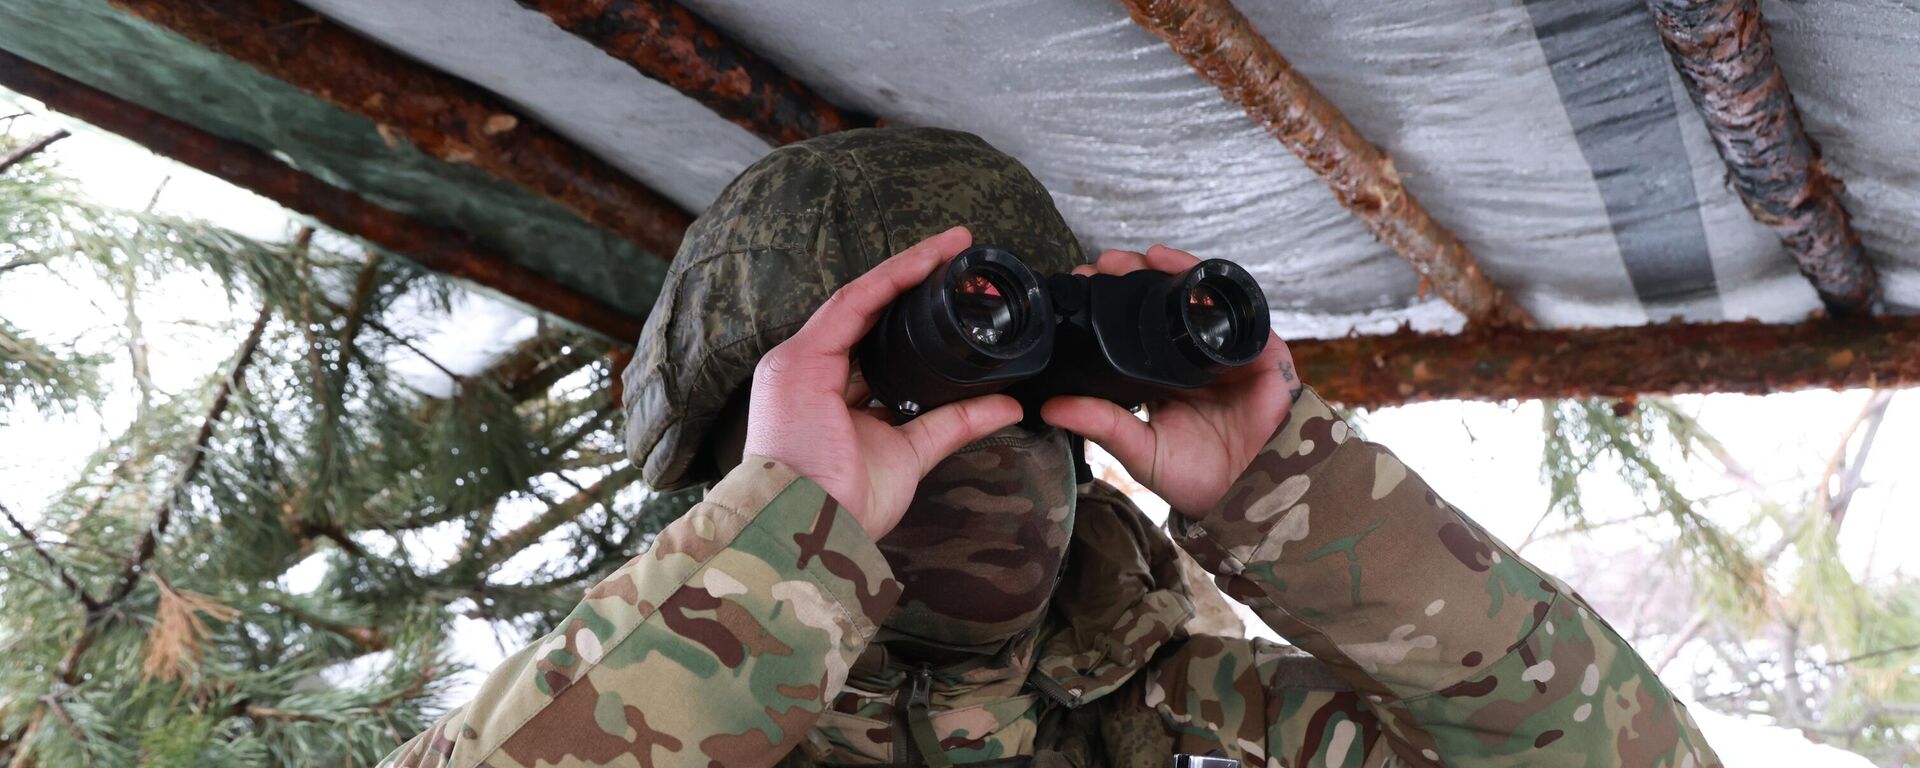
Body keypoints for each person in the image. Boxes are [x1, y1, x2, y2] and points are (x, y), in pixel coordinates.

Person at [381, 128, 1719, 767]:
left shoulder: (1217, 725)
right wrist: (775, 563)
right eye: (891, 393)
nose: (975, 450)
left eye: (1022, 389)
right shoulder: (629, 720)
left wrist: (1301, 501)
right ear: (745, 458)